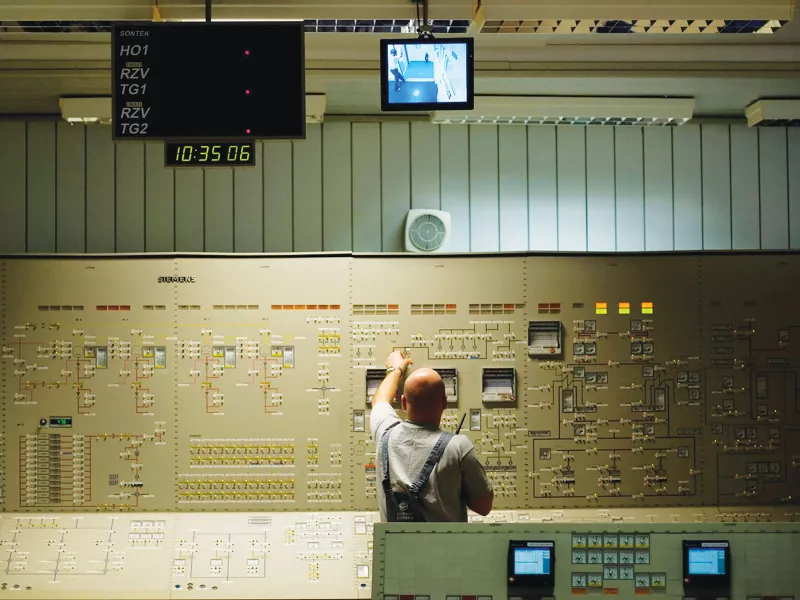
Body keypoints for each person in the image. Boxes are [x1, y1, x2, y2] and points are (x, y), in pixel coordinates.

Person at [370, 350, 494, 522]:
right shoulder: (458, 447)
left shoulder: (385, 433)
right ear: (444, 402)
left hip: (395, 548)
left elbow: (380, 401)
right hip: (444, 549)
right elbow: (484, 506)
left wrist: (395, 369)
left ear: (404, 402)